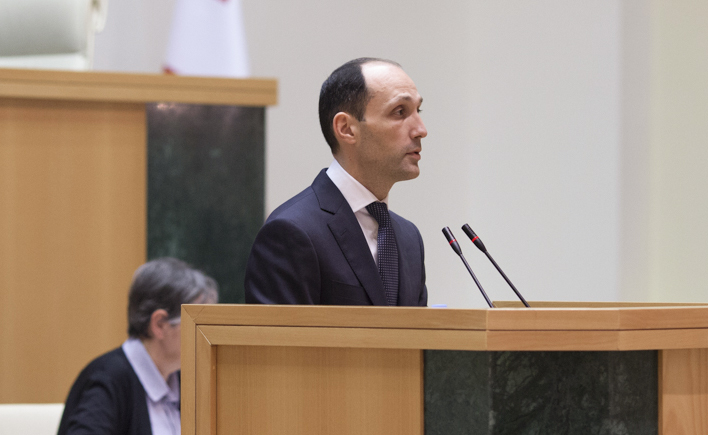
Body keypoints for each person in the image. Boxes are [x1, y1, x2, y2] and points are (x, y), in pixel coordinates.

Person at [245, 57, 428, 306]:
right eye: (400, 112)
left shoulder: (409, 238)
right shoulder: (291, 231)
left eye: (418, 111)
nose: (421, 129)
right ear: (346, 128)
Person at [57, 258, 218, 435]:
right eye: (198, 325)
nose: (206, 335)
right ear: (159, 324)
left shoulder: (181, 379)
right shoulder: (107, 379)